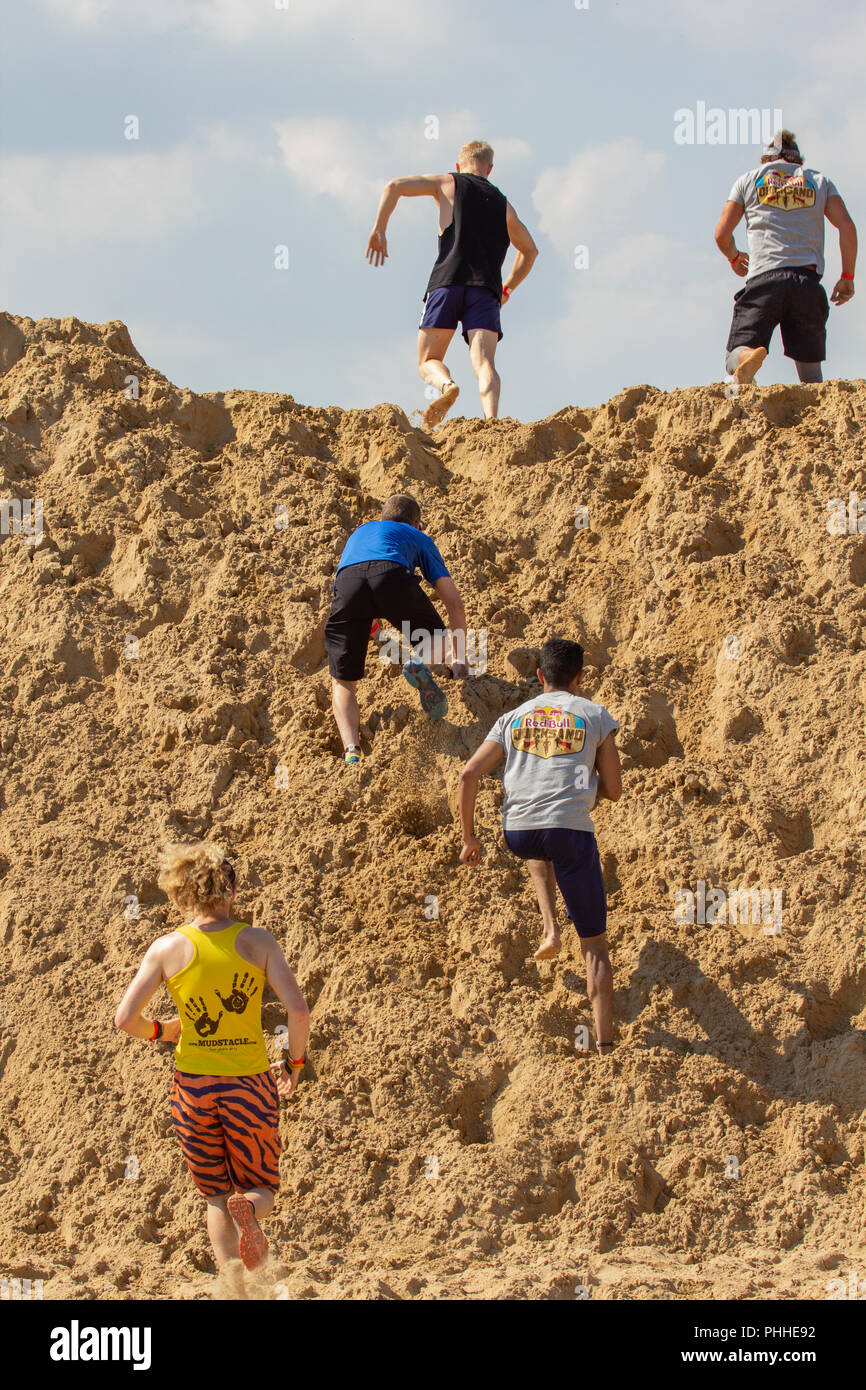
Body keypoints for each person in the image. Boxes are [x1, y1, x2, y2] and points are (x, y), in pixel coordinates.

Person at [114, 843, 309, 1278]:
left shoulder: (166, 948)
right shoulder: (257, 941)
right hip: (248, 1084)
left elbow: (125, 1019)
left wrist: (163, 1031)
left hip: (192, 1089)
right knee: (260, 1187)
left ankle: (232, 1285)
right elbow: (298, 1011)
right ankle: (251, 1211)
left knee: (216, 1196)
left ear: (183, 894)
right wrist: (294, 1064)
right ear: (233, 890)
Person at [457, 638, 622, 1057]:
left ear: (540, 677)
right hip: (569, 832)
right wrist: (583, 786)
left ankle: (550, 927)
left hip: (518, 831)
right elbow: (615, 790)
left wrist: (469, 838)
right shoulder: (595, 715)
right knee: (596, 947)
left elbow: (468, 775)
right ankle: (605, 1044)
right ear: (580, 679)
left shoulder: (512, 718)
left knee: (537, 844)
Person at [366, 139, 539, 427]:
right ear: (490, 169)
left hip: (446, 283)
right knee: (485, 364)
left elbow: (393, 186)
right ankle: (492, 423)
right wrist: (506, 288)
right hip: (485, 291)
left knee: (428, 360)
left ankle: (447, 386)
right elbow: (530, 251)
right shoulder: (503, 205)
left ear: (459, 166)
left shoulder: (447, 182)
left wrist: (379, 229)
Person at [324, 493, 470, 765]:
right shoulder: (417, 537)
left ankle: (351, 751)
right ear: (417, 524)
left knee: (343, 681)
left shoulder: (360, 533)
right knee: (438, 640)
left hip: (347, 586)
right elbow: (455, 603)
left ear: (383, 518)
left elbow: (359, 587)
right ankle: (419, 662)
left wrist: (374, 631)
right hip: (391, 575)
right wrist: (459, 658)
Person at [714, 129, 857, 385]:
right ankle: (815, 409)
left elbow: (722, 234)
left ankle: (747, 357)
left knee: (733, 357)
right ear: (797, 159)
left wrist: (735, 258)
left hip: (764, 281)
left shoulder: (748, 180)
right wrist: (847, 276)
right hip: (807, 281)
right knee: (812, 375)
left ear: (765, 160)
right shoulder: (819, 181)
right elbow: (847, 227)